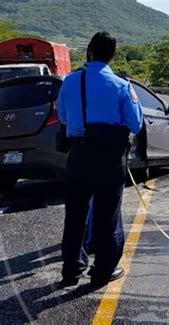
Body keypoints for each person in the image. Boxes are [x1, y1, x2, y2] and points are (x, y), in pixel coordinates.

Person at [57, 31, 143, 287]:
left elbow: (63, 117)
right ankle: (102, 272)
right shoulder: (121, 85)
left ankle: (71, 271)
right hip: (109, 160)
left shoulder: (69, 82)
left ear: (89, 52)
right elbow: (136, 124)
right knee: (108, 218)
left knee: (75, 217)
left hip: (79, 156)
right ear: (113, 56)